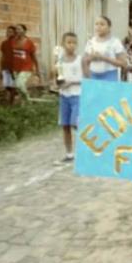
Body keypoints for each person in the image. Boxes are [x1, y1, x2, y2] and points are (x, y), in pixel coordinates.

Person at [52, 32, 82, 164]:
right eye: (69, 42)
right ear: (63, 44)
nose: (71, 45)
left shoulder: (80, 60)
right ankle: (69, 154)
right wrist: (56, 84)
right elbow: (57, 78)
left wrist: (72, 82)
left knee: (76, 124)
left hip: (77, 95)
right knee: (65, 126)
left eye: (74, 43)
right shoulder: (59, 62)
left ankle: (90, 148)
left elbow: (85, 79)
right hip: (64, 96)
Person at [82, 16, 128, 81]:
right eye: (96, 24)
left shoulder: (115, 42)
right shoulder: (90, 42)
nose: (99, 27)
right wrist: (91, 58)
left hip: (109, 76)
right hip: (92, 75)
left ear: (109, 27)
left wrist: (104, 58)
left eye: (102, 24)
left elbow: (123, 63)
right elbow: (84, 61)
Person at [11, 24, 39, 101]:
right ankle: (24, 105)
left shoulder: (29, 42)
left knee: (19, 84)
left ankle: (27, 99)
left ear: (25, 31)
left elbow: (34, 57)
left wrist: (37, 70)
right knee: (19, 87)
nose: (17, 31)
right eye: (16, 29)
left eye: (19, 29)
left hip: (26, 67)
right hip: (15, 68)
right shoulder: (13, 41)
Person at [0, 26, 17, 104]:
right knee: (6, 85)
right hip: (5, 66)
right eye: (7, 31)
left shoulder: (16, 43)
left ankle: (11, 103)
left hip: (13, 67)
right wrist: (1, 68)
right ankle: (15, 96)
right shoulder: (4, 43)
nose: (8, 33)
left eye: (10, 31)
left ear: (14, 33)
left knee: (13, 85)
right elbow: (3, 55)